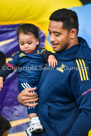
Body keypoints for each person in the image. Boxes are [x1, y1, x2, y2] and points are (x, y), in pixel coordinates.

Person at [18, 8, 91, 136]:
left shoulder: (80, 66)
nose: (51, 39)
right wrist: (22, 98)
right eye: (49, 33)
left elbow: (88, 112)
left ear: (72, 33)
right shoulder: (52, 57)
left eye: (57, 34)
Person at [0, 24, 57, 135]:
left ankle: (38, 126)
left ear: (36, 41)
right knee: (31, 96)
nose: (26, 46)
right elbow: (9, 66)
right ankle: (34, 121)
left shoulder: (41, 52)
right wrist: (1, 76)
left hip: (40, 82)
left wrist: (51, 57)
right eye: (22, 43)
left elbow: (47, 54)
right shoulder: (18, 56)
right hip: (26, 82)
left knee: (43, 99)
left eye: (29, 43)